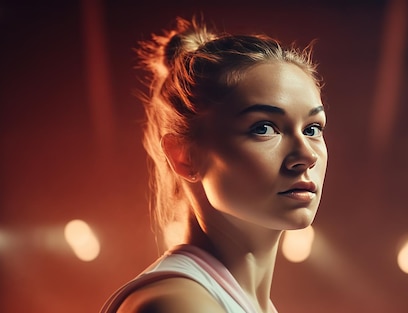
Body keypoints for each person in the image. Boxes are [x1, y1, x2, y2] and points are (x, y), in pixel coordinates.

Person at [100, 17, 328, 313]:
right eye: (263, 128)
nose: (306, 155)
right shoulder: (178, 305)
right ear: (184, 155)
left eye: (312, 129)